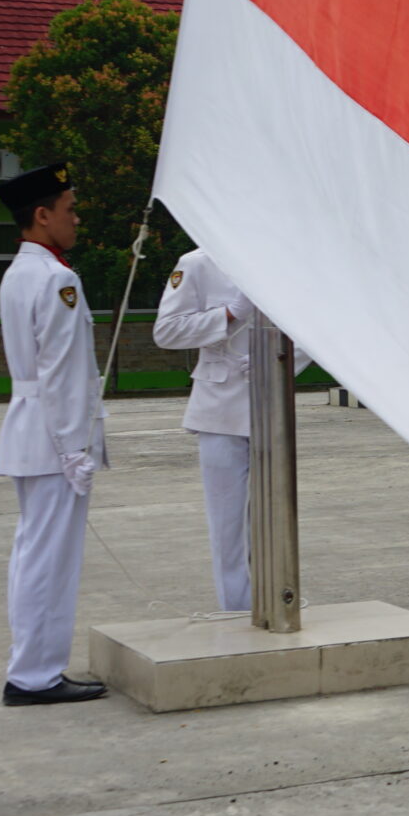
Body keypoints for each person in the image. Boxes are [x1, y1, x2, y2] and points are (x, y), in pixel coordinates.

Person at [0, 164, 108, 705]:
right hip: (53, 439)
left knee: (33, 553)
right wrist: (73, 450)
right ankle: (35, 676)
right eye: (69, 209)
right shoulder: (58, 279)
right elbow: (62, 373)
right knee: (49, 561)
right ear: (42, 216)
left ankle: (31, 667)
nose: (76, 219)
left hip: (28, 431)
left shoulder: (19, 272)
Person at [151, 245, 276, 611]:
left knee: (274, 517)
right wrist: (228, 315)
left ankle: (274, 598)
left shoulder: (281, 255)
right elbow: (167, 331)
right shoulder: (198, 263)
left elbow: (313, 325)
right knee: (228, 527)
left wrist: (284, 359)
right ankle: (236, 610)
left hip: (272, 403)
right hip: (220, 408)